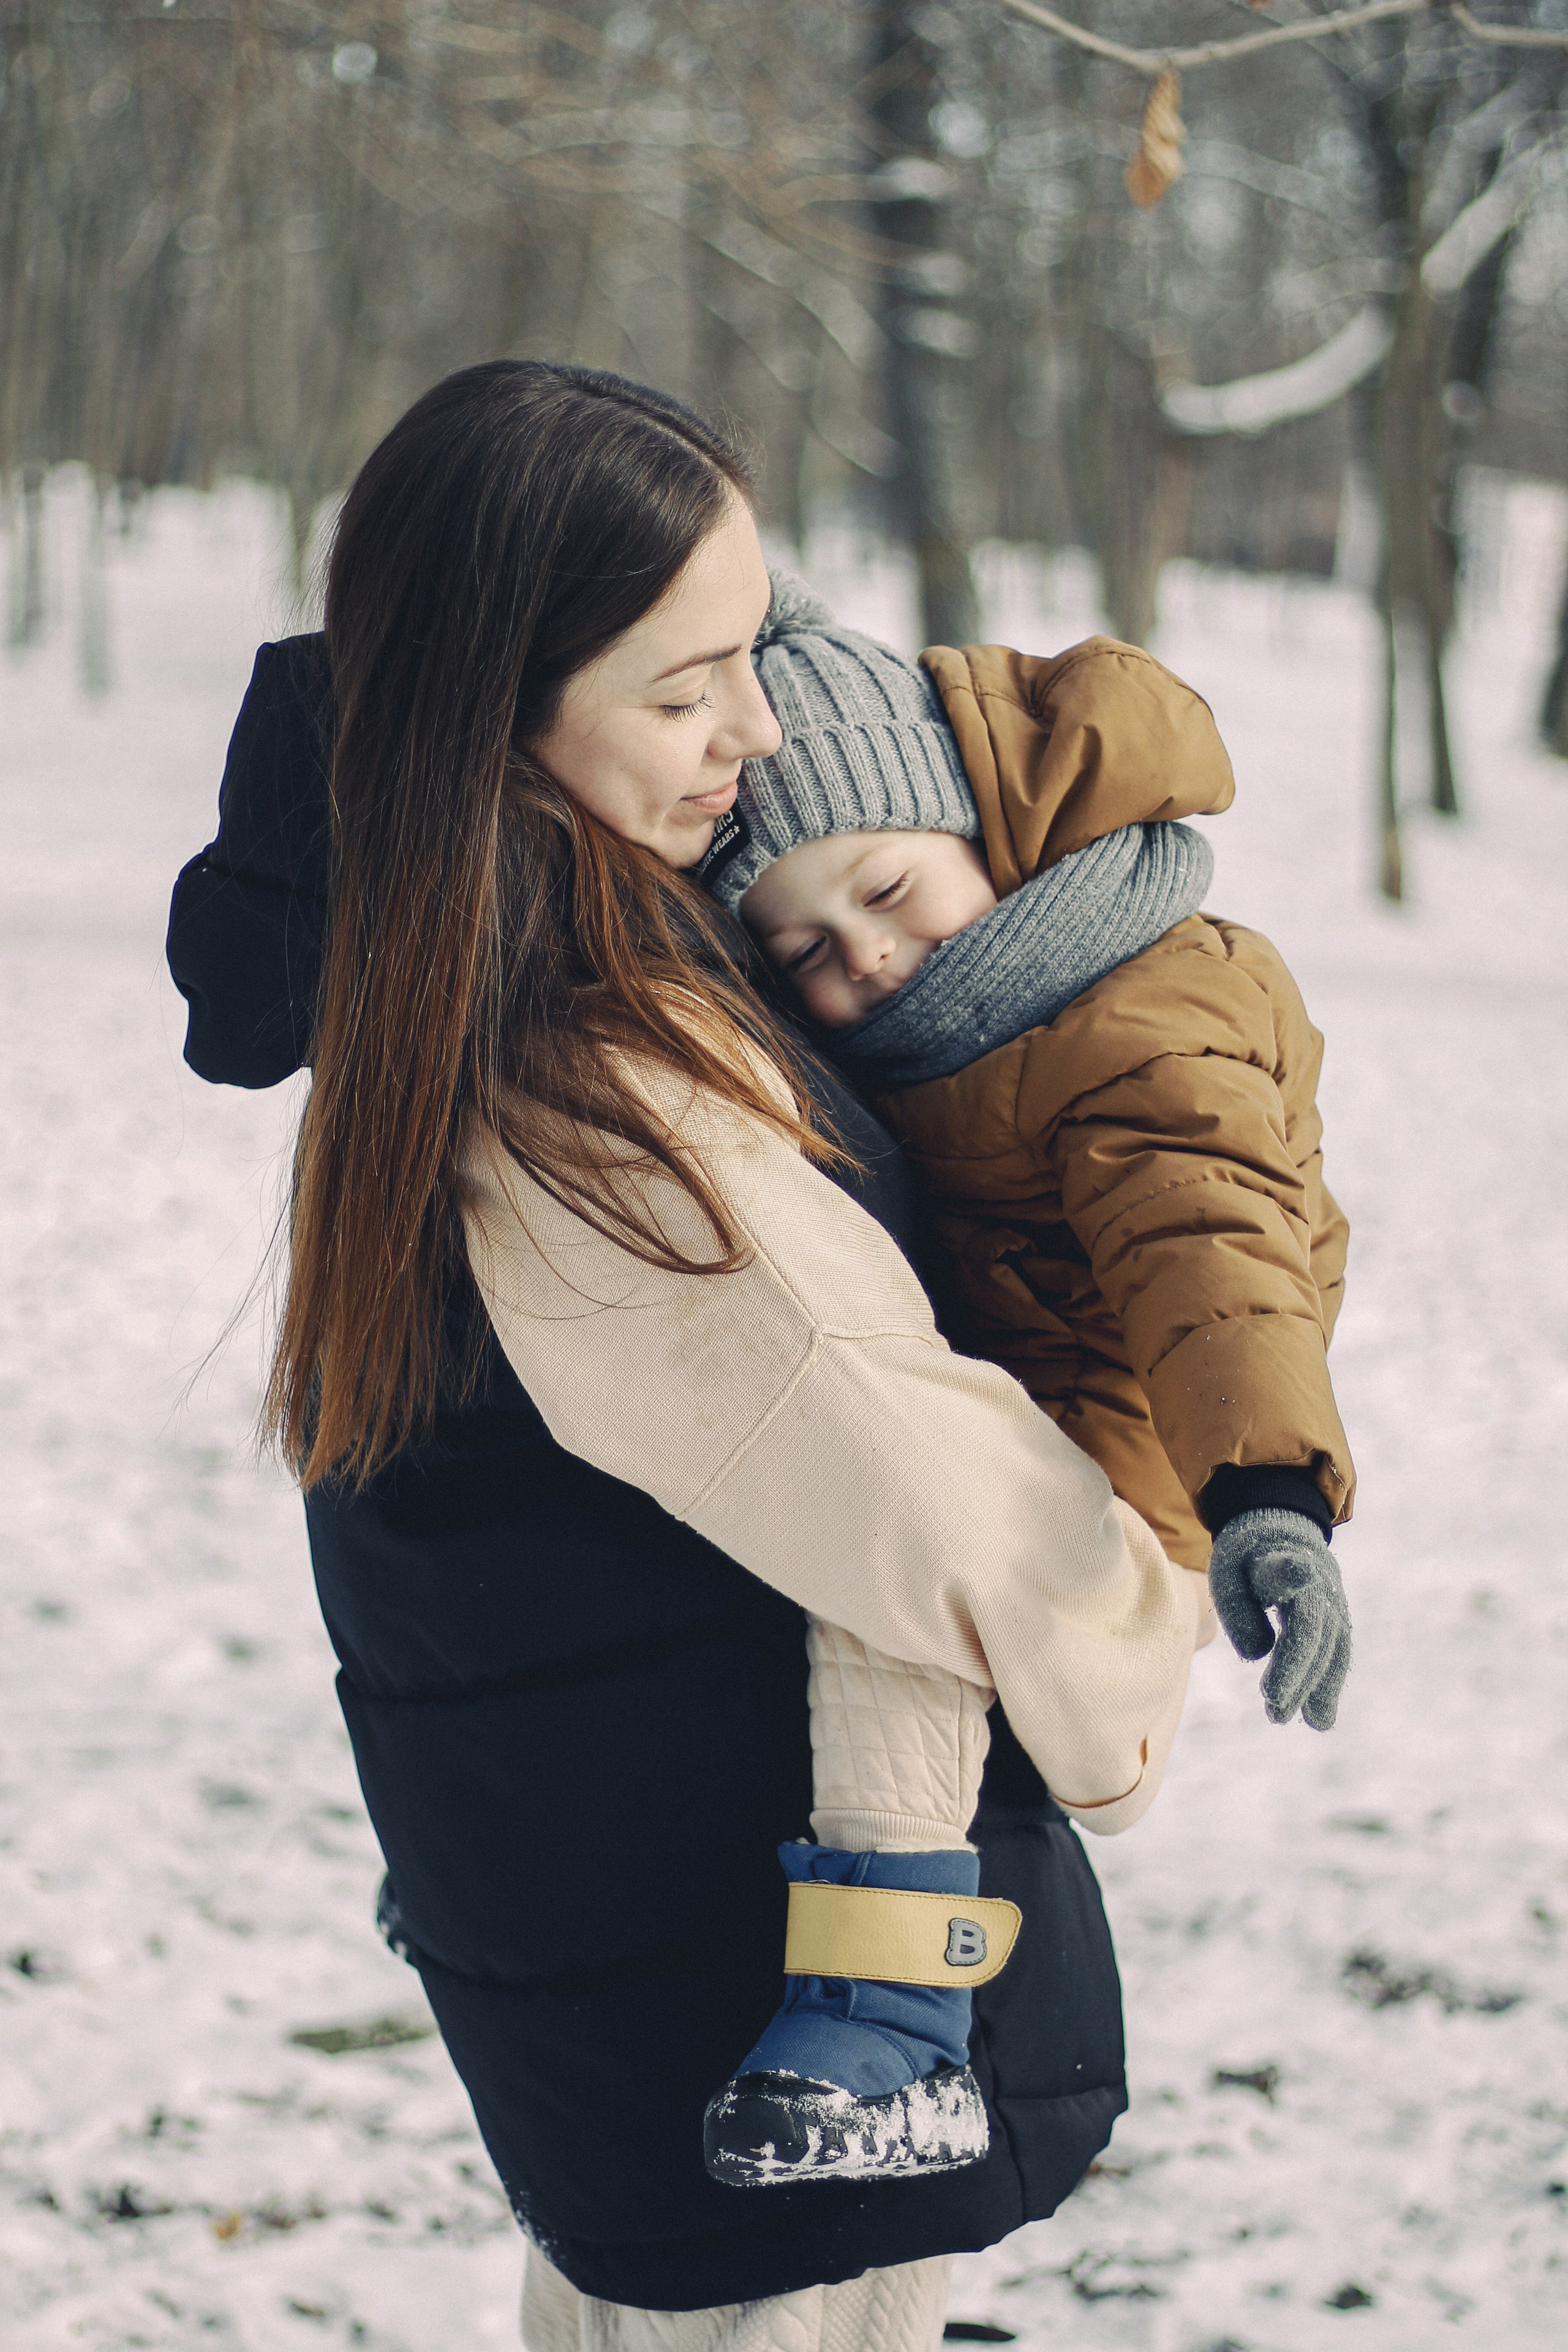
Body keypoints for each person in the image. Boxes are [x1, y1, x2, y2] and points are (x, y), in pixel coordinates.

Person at [168, 360, 1212, 2352]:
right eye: (680, 689)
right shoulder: (589, 1079)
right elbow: (892, 1450)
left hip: (624, 1945)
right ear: (501, 697)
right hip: (756, 1986)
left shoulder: (439, 964)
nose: (748, 727)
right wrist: (1130, 1639)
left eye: (750, 649)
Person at [693, 584, 1356, 2183]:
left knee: (892, 1574)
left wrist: (1266, 1496)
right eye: (805, 952)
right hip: (1017, 1416)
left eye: (890, 889)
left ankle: (899, 2027)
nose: (868, 959)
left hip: (1148, 1472)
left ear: (978, 827)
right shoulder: (948, 1031)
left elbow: (1212, 1242)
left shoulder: (1138, 1002)